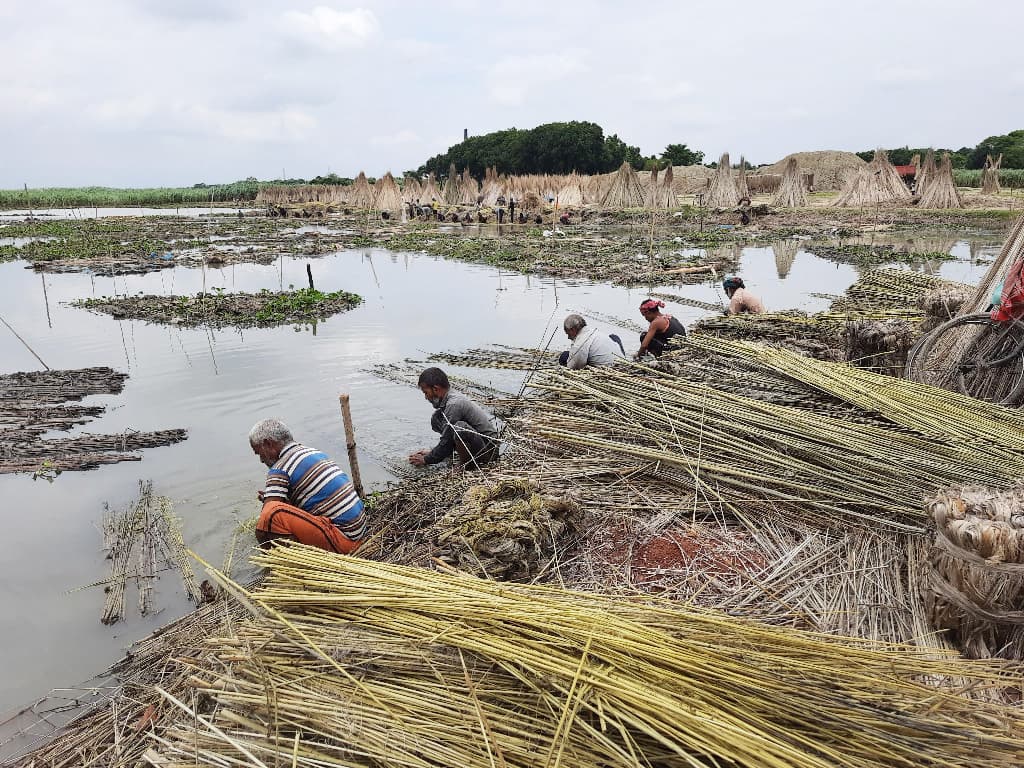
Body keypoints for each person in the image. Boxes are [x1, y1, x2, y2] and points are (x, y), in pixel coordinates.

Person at [249, 418, 365, 553]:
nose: (261, 459)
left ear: (268, 444)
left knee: (270, 515)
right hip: (358, 534)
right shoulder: (313, 453)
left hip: (343, 542)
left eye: (259, 453)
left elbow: (267, 517)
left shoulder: (280, 468)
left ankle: (276, 564)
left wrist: (270, 503)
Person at [409, 367, 500, 470]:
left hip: (489, 451)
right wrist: (433, 452)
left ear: (435, 389)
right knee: (437, 417)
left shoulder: (454, 404)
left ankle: (466, 464)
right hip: (478, 443)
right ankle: (455, 455)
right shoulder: (448, 399)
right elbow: (447, 437)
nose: (426, 397)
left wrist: (426, 459)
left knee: (459, 428)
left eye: (426, 392)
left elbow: (447, 439)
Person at [558, 313, 624, 369]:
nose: (568, 337)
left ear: (573, 330)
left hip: (611, 369)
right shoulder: (592, 331)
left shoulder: (579, 344)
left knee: (564, 356)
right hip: (623, 362)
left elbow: (573, 367)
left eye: (568, 333)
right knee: (613, 337)